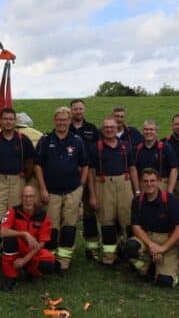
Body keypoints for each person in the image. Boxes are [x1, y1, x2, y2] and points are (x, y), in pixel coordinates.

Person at [0, 107, 35, 277]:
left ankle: (13, 258)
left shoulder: (23, 140)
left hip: (17, 181)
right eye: (5, 119)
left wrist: (23, 178)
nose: (8, 122)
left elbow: (30, 162)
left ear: (15, 121)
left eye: (11, 119)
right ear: (0, 121)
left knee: (15, 221)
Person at [34, 106, 89, 273]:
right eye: (59, 119)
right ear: (54, 121)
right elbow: (38, 165)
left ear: (70, 121)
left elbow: (85, 164)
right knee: (51, 227)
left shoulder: (77, 140)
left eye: (65, 120)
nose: (62, 122)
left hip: (72, 190)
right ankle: (49, 258)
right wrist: (42, 188)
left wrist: (81, 185)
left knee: (69, 226)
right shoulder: (45, 139)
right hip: (50, 192)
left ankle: (63, 261)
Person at [87, 117, 138, 266]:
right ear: (102, 130)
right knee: (107, 221)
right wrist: (92, 195)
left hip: (125, 185)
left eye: (112, 127)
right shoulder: (95, 148)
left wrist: (137, 191)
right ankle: (109, 257)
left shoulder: (125, 146)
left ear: (117, 129)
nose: (109, 130)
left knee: (127, 221)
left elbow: (133, 168)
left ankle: (131, 255)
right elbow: (91, 172)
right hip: (103, 186)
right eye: (106, 127)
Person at [124, 168, 179, 288]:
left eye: (152, 181)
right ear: (141, 183)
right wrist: (151, 245)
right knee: (130, 247)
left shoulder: (170, 200)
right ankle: (145, 267)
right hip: (146, 239)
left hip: (167, 242)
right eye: (145, 181)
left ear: (158, 181)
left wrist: (162, 248)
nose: (149, 184)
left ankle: (173, 267)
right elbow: (136, 227)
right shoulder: (137, 201)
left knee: (165, 283)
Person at [0, 185, 56, 292]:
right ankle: (10, 277)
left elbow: (43, 242)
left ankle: (30, 271)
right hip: (17, 248)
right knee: (9, 239)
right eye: (25, 197)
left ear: (35, 198)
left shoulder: (42, 215)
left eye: (30, 197)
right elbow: (2, 232)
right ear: (21, 198)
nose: (28, 200)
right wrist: (24, 234)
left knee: (48, 264)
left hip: (33, 250)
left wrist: (25, 260)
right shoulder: (13, 211)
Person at [68, 99, 102, 260]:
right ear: (71, 111)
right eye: (75, 109)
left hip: (90, 174)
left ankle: (92, 248)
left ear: (84, 110)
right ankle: (67, 248)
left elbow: (99, 151)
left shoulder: (92, 129)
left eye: (80, 109)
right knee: (69, 212)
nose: (78, 112)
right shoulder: (64, 128)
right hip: (70, 175)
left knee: (89, 212)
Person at [132, 120, 179, 194]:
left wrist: (170, 190)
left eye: (151, 129)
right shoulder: (136, 150)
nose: (148, 132)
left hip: (161, 185)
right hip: (143, 185)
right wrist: (137, 190)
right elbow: (133, 170)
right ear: (142, 132)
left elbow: (174, 169)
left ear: (156, 132)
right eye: (146, 129)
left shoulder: (166, 148)